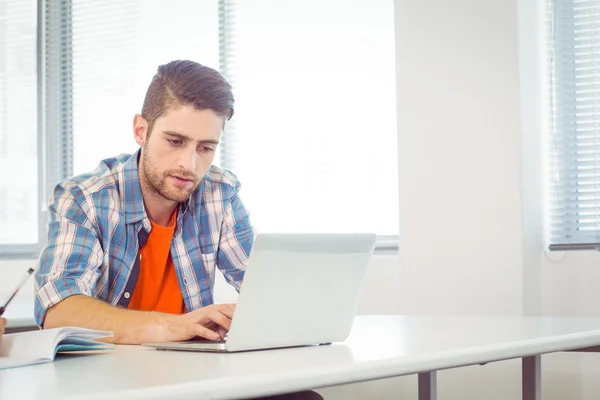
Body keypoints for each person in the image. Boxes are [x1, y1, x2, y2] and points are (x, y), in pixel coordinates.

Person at [34, 60, 255, 345]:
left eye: (205, 148)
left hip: (193, 375)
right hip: (107, 376)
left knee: (303, 393)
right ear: (141, 130)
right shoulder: (84, 198)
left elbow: (264, 289)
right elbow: (58, 309)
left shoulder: (220, 194)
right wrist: (170, 327)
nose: (188, 164)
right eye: (175, 141)